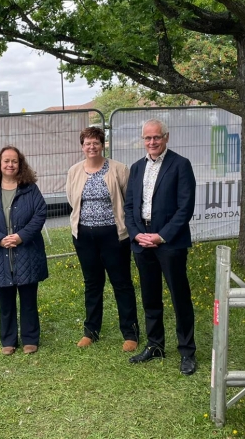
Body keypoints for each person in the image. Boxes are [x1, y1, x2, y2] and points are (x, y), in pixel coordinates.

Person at [124, 119, 198, 375]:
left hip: (170, 243)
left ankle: (187, 351)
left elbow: (185, 208)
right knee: (150, 297)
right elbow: (130, 207)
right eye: (147, 138)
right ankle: (155, 344)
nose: (152, 142)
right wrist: (137, 235)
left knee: (180, 297)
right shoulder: (136, 168)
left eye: (156, 137)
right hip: (142, 242)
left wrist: (161, 236)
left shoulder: (181, 165)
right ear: (142, 140)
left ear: (166, 137)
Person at [65, 126, 139, 352]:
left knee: (122, 283)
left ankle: (130, 333)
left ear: (102, 144)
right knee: (92, 283)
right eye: (87, 143)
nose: (92, 147)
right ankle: (91, 331)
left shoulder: (119, 169)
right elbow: (72, 198)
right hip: (84, 235)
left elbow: (128, 200)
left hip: (114, 235)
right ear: (82, 146)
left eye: (96, 142)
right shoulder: (74, 171)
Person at [0, 146, 48, 355]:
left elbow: (40, 213)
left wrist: (21, 236)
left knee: (28, 299)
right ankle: (8, 340)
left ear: (20, 164)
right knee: (5, 301)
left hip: (26, 252)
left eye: (14, 161)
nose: (10, 165)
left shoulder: (30, 188)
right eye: (6, 161)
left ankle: (30, 339)